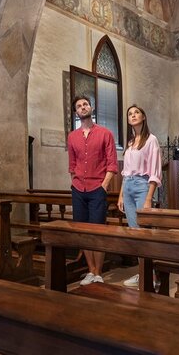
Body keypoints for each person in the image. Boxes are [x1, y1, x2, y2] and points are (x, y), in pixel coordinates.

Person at [67, 95, 118, 285]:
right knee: (82, 231)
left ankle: (99, 273)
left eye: (85, 104)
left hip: (97, 187)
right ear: (76, 112)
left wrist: (104, 185)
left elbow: (112, 164)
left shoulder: (105, 134)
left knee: (97, 230)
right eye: (79, 106)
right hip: (79, 188)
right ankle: (91, 270)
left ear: (91, 108)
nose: (83, 107)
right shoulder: (72, 136)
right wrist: (74, 182)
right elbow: (72, 164)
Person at [117, 104, 162, 288]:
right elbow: (125, 172)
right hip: (127, 187)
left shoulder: (151, 140)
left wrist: (148, 197)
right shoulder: (129, 143)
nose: (133, 115)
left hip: (143, 186)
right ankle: (143, 273)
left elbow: (155, 171)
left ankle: (152, 276)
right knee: (135, 233)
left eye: (136, 112)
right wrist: (120, 195)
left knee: (145, 233)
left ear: (143, 117)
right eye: (130, 113)